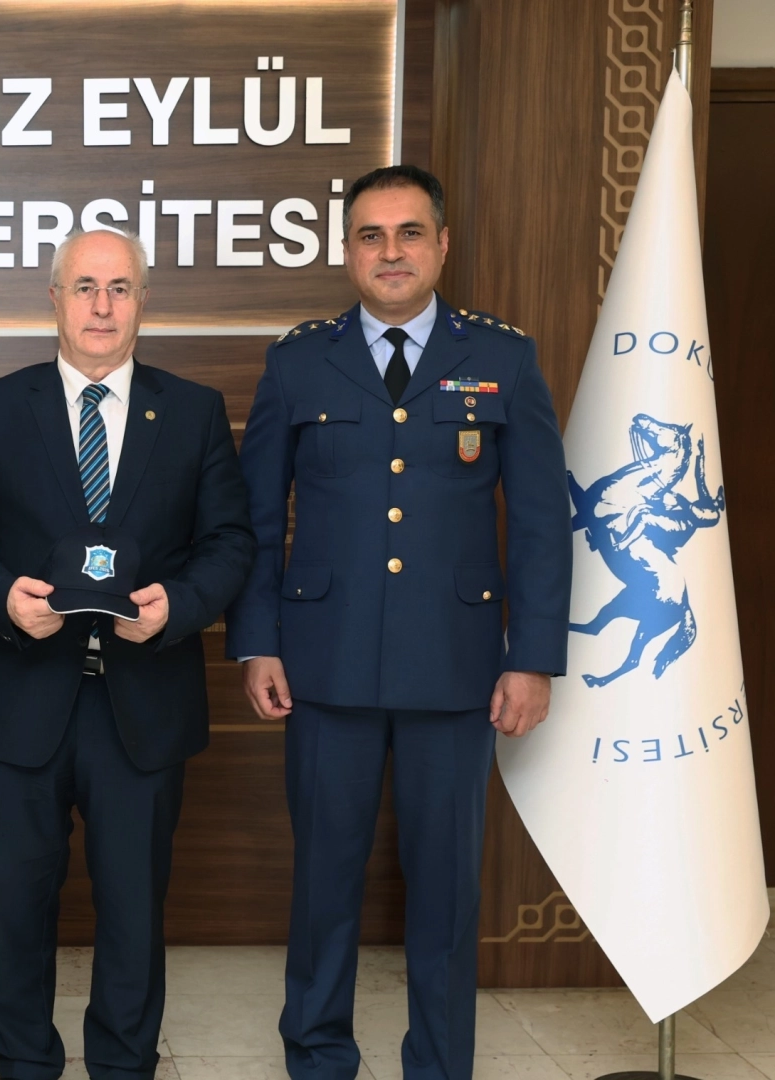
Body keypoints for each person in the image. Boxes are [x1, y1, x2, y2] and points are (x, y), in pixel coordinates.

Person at [225, 165, 572, 1080]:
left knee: (447, 893)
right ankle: (316, 1057)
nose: (390, 251)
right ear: (347, 251)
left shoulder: (502, 358)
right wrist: (257, 641)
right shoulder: (298, 360)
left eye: (408, 232)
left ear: (441, 245)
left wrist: (532, 657)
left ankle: (439, 1065)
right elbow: (255, 519)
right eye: (370, 235)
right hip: (323, 664)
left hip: (456, 668)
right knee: (323, 884)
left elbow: (542, 521)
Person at [0, 229, 255, 1080]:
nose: (102, 306)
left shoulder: (191, 410)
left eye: (119, 288)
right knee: (16, 906)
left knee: (132, 910)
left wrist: (178, 607)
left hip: (142, 706)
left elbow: (229, 543)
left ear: (143, 301)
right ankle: (22, 1063)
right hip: (21, 700)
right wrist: (3, 600)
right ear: (54, 299)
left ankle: (122, 1065)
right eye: (84, 286)